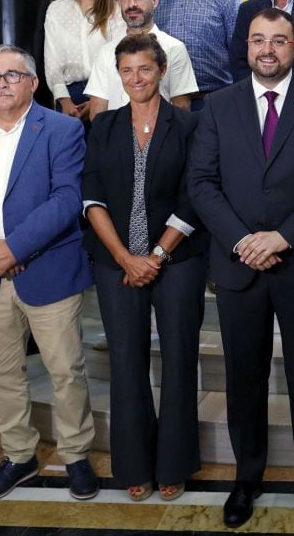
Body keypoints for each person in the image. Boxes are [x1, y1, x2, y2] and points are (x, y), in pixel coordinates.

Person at [188, 8, 294, 531]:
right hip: (239, 267)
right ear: (247, 48)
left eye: (278, 41)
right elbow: (202, 183)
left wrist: (282, 237)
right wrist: (243, 240)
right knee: (244, 379)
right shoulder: (217, 107)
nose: (267, 49)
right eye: (258, 40)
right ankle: (247, 477)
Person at [0, 45, 97, 504]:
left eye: (13, 75)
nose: (2, 83)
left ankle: (75, 454)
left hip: (47, 268)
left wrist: (16, 247)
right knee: (3, 371)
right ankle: (20, 455)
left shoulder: (63, 128)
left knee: (65, 369)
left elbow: (67, 199)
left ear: (33, 82)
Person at [83, 34, 208, 502]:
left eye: (145, 69)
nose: (136, 79)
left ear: (161, 71)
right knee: (126, 362)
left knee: (179, 360)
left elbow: (194, 196)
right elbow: (91, 196)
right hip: (116, 262)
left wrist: (155, 256)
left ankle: (174, 464)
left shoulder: (190, 126)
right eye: (128, 71)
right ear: (119, 75)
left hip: (177, 262)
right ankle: (134, 464)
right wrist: (123, 257)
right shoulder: (104, 127)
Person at [84, 0, 198, 113]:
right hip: (115, 134)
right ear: (119, 2)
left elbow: (182, 108)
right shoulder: (106, 52)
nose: (131, 4)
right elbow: (97, 112)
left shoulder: (175, 48)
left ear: (155, 1)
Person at [43, 0, 126, 120]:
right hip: (68, 96)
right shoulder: (57, 10)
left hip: (107, 93)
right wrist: (64, 101)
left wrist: (97, 101)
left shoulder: (115, 11)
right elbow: (52, 61)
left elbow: (118, 58)